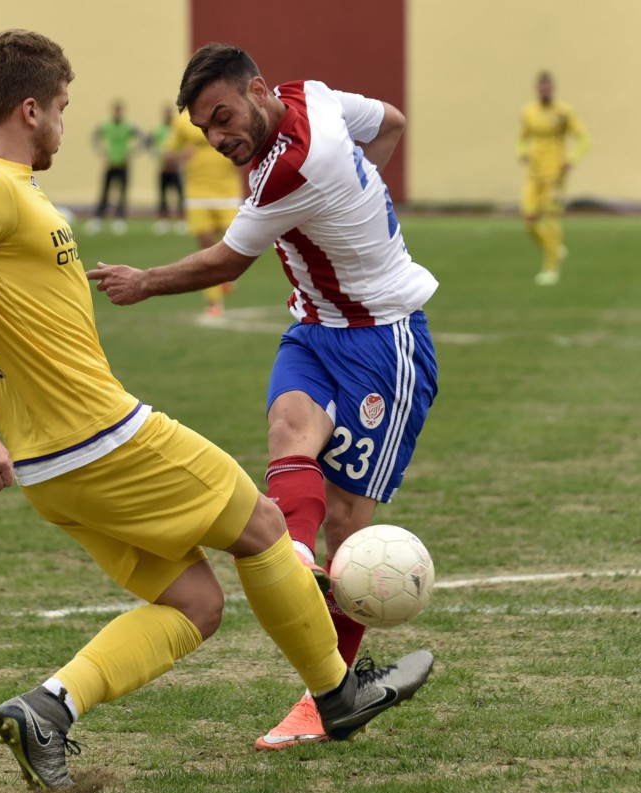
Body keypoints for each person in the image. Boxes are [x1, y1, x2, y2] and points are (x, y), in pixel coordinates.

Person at [0, 29, 434, 791]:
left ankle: (48, 709)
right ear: (29, 110)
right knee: (262, 528)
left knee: (193, 602)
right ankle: (337, 690)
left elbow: (0, 321)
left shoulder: (3, 188)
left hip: (52, 467)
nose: (63, 122)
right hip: (99, 439)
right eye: (59, 108)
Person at [87, 43, 439, 752]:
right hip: (315, 327)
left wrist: (144, 281)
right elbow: (392, 122)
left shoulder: (293, 168)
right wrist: (359, 202)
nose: (219, 140)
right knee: (287, 428)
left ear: (255, 90)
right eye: (206, 132)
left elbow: (226, 260)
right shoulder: (309, 92)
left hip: (385, 341)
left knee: (350, 522)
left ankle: (326, 695)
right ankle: (295, 562)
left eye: (223, 118)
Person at [166, 106, 244, 318]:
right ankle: (213, 301)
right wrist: (183, 155)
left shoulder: (226, 110)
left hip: (228, 191)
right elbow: (168, 155)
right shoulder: (182, 121)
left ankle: (227, 276)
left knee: (233, 244)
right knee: (206, 247)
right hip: (197, 192)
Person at [517, 70, 589, 287]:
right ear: (537, 88)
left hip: (555, 177)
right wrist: (522, 152)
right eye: (541, 86)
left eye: (548, 86)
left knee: (551, 220)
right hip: (534, 176)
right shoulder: (528, 112)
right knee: (529, 222)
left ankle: (550, 268)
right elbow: (522, 139)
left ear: (553, 88)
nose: (545, 90)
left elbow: (584, 139)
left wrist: (572, 159)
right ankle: (554, 248)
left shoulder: (564, 112)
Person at [84, 101, 140, 236]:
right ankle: (98, 219)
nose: (118, 113)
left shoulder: (128, 126)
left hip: (123, 164)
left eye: (120, 110)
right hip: (110, 164)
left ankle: (119, 219)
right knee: (104, 192)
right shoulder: (106, 125)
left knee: (122, 193)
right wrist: (101, 152)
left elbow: (143, 139)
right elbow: (94, 138)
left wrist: (132, 153)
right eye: (116, 110)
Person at [148, 105, 185, 236]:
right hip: (162, 167)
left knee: (180, 194)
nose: (168, 115)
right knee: (163, 194)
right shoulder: (158, 129)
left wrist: (178, 159)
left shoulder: (177, 128)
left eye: (169, 113)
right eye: (166, 113)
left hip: (176, 167)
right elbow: (152, 144)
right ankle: (164, 219)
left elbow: (183, 145)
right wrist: (158, 157)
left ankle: (181, 219)